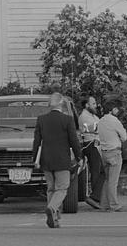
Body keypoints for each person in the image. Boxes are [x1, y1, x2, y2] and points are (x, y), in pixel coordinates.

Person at [32, 92, 83, 228]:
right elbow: (74, 140)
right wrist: (79, 156)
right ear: (61, 104)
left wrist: (34, 158)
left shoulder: (41, 119)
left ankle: (55, 219)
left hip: (46, 160)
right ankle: (52, 208)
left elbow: (36, 141)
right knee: (62, 188)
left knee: (51, 188)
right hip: (61, 159)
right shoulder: (67, 120)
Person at [97, 100, 127, 212]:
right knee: (113, 181)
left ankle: (104, 204)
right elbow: (124, 137)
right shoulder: (115, 121)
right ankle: (114, 204)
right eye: (117, 109)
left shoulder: (100, 121)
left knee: (107, 179)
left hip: (104, 152)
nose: (118, 111)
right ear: (113, 109)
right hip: (114, 152)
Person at [78, 95, 105, 210]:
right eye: (93, 104)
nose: (96, 106)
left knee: (100, 171)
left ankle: (97, 196)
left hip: (96, 144)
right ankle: (95, 197)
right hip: (91, 144)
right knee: (97, 171)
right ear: (86, 105)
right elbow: (94, 128)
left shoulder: (92, 115)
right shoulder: (84, 116)